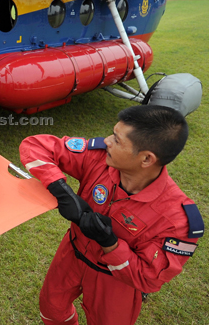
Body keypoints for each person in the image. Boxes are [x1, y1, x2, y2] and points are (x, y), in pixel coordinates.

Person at [19, 105, 204, 325]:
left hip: (115, 282)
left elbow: (149, 278)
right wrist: (61, 190)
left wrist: (110, 244)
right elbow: (35, 145)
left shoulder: (178, 220)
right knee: (51, 309)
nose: (106, 140)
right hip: (72, 252)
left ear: (146, 159)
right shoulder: (99, 158)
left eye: (117, 139)